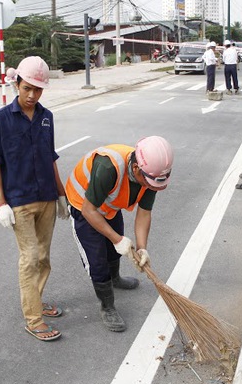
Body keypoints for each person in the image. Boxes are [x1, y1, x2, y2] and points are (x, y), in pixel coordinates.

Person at [0, 56, 70, 342]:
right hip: (19, 200)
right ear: (17, 83)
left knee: (44, 258)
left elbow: (51, 157)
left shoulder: (47, 118)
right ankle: (34, 319)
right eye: (27, 88)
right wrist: (1, 204)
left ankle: (36, 298)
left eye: (38, 90)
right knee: (30, 257)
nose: (32, 95)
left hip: (46, 196)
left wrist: (61, 194)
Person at [65, 136, 173, 332]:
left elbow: (144, 212)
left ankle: (115, 278)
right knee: (97, 259)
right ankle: (107, 306)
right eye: (148, 183)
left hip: (108, 206)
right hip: (84, 206)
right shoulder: (109, 167)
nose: (151, 187)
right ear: (135, 169)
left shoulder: (152, 174)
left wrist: (142, 248)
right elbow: (90, 210)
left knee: (115, 250)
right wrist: (116, 239)